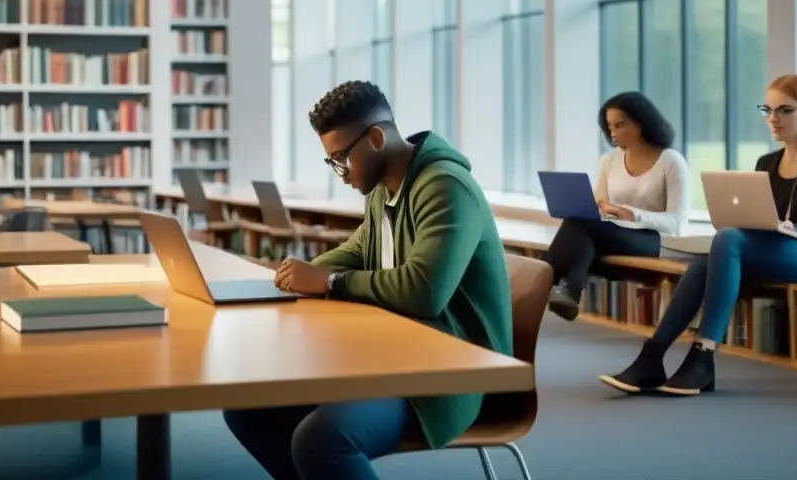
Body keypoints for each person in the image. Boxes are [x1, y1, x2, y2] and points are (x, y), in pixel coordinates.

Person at [222, 80, 513, 480]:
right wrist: (288, 276)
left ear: (375, 137)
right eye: (332, 162)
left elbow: (424, 291)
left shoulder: (445, 187)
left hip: (452, 371)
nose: (340, 173)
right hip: (393, 354)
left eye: (341, 158)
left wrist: (329, 282)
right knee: (247, 408)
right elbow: (357, 252)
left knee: (321, 441)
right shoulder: (382, 191)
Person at [599, 74, 797, 397]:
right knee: (705, 261)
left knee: (727, 239)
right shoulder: (767, 163)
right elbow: (755, 216)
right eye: (768, 109)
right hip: (772, 250)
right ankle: (653, 355)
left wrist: (794, 227)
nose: (773, 118)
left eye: (784, 111)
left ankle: (703, 353)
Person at [544, 91, 691, 322]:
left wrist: (632, 214)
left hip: (655, 239)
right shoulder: (609, 160)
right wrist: (602, 209)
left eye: (619, 125)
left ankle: (543, 280)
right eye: (609, 126)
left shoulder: (671, 161)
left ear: (641, 122)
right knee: (581, 221)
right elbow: (599, 203)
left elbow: (677, 223)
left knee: (580, 225)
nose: (612, 134)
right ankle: (569, 287)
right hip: (612, 233)